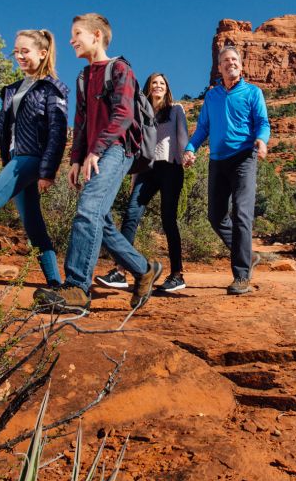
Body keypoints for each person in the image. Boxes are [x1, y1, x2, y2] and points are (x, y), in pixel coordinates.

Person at [33, 13, 161, 314]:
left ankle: (77, 287)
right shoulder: (83, 77)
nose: (71, 40)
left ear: (97, 35)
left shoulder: (120, 69)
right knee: (99, 220)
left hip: (118, 149)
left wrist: (96, 151)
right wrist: (76, 159)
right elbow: (81, 122)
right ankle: (143, 269)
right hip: (93, 153)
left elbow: (124, 116)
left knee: (88, 210)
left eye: (77, 33)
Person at [0, 29, 68, 288]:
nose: (19, 56)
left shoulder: (52, 88)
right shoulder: (12, 90)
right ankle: (55, 286)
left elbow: (57, 131)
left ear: (43, 53)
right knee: (33, 226)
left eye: (26, 51)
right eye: (16, 51)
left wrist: (47, 170)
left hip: (31, 158)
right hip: (15, 159)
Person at [183, 46, 270, 295]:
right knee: (216, 216)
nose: (230, 63)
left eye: (234, 60)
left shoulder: (253, 92)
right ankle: (248, 255)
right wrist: (191, 148)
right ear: (219, 68)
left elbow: (262, 123)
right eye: (225, 61)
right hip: (218, 161)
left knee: (242, 214)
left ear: (241, 66)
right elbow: (203, 128)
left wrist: (262, 140)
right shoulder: (212, 96)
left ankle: (241, 276)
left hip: (244, 157)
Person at [96, 72, 188, 292]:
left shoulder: (176, 110)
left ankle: (177, 275)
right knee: (131, 215)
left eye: (162, 83)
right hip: (146, 170)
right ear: (148, 87)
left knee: (168, 220)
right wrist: (134, 176)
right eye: (154, 83)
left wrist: (187, 155)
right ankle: (120, 271)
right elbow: (138, 147)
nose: (158, 86)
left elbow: (182, 136)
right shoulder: (141, 114)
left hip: (170, 167)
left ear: (167, 88)